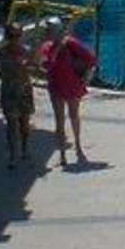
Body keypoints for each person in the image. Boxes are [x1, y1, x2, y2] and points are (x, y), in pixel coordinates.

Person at [38, 15, 95, 166]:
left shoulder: (70, 43)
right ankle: (62, 152)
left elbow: (90, 58)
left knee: (73, 115)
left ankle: (78, 145)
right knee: (59, 120)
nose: (47, 33)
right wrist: (57, 50)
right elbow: (45, 65)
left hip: (71, 84)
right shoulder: (46, 47)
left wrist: (86, 77)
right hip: (56, 86)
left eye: (49, 30)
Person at [0, 22, 36, 167]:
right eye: (12, 36)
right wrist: (11, 69)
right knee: (11, 124)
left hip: (24, 90)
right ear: (6, 36)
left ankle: (25, 148)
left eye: (18, 35)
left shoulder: (27, 51)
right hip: (9, 90)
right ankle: (12, 155)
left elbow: (35, 69)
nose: (15, 39)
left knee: (24, 122)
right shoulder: (2, 53)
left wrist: (27, 66)